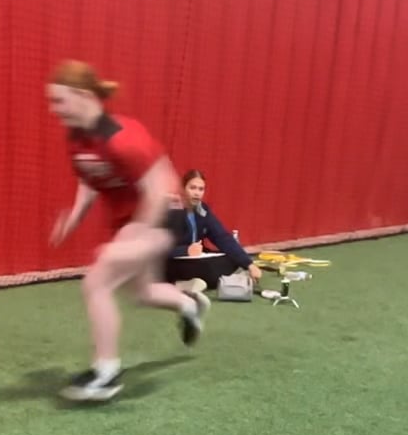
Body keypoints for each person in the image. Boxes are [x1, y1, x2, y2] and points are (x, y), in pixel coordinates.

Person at [46, 60, 205, 403]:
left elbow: (161, 188)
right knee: (142, 293)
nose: (53, 108)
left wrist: (134, 235)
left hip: (163, 215)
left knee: (97, 282)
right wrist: (74, 218)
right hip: (131, 220)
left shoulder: (123, 138)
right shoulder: (77, 138)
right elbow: (91, 177)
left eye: (59, 100)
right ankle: (189, 304)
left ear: (83, 95)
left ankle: (107, 373)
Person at [166, 169, 260, 292]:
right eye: (192, 188)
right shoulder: (172, 211)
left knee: (231, 258)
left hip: (196, 259)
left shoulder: (203, 210)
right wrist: (186, 251)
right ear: (183, 189)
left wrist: (249, 264)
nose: (197, 193)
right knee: (207, 268)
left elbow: (222, 237)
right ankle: (180, 284)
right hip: (173, 261)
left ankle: (198, 281)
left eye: (201, 189)